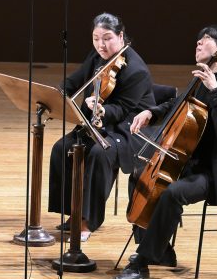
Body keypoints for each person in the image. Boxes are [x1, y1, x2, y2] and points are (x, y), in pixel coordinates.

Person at [115, 24, 217, 279]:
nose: (198, 44)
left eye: (205, 40)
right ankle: (159, 248)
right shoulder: (199, 78)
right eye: (198, 40)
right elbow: (178, 105)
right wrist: (151, 113)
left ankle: (142, 261)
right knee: (139, 176)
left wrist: (216, 90)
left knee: (172, 193)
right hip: (190, 161)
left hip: (216, 171)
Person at [48, 12, 155, 240]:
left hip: (130, 129)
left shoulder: (136, 70)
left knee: (98, 153)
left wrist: (103, 109)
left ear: (121, 36)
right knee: (61, 148)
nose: (101, 44)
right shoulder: (97, 57)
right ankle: (73, 213)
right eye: (96, 38)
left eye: (107, 38)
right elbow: (76, 80)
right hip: (99, 124)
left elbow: (124, 109)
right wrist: (59, 92)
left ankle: (88, 220)